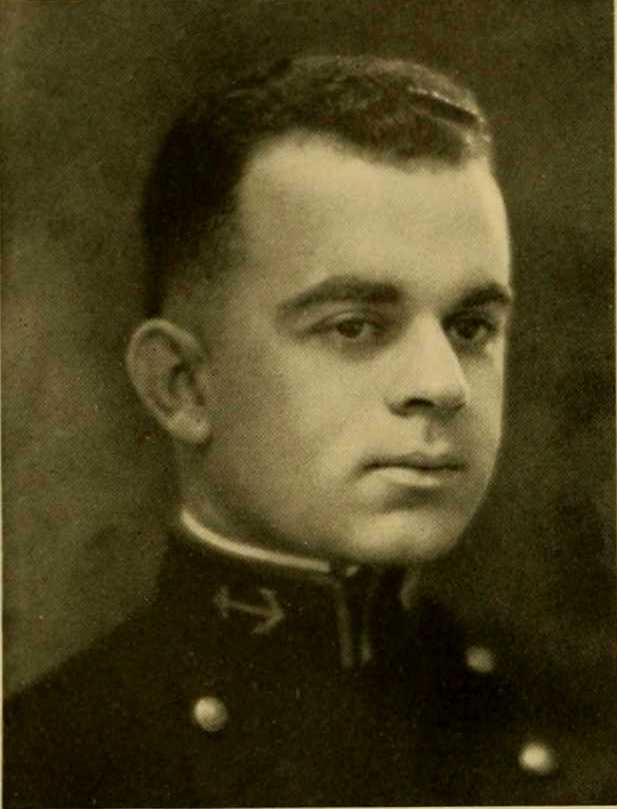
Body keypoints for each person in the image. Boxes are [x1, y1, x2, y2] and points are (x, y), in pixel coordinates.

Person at [4, 54, 613, 807]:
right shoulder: (40, 768)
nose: (442, 384)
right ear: (182, 385)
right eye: (354, 325)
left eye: (470, 325)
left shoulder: (581, 741)